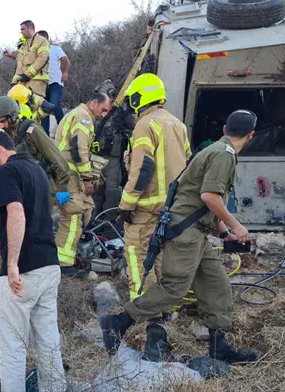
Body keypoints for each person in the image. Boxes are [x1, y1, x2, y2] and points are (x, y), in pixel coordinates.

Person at [100, 110, 259, 365]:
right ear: (251, 135)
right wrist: (237, 226)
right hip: (186, 233)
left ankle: (218, 346)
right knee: (174, 289)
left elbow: (201, 200)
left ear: (225, 128)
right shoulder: (223, 155)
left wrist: (224, 232)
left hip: (195, 231)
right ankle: (118, 322)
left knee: (216, 283)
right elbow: (210, 197)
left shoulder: (215, 150)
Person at [0, 130, 66, 392]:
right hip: (49, 266)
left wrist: (12, 265)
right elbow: (29, 208)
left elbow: (17, 214)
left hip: (23, 272)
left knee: (12, 348)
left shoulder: (7, 172)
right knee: (48, 343)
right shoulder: (37, 169)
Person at [119, 74, 192, 303]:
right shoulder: (177, 124)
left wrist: (127, 204)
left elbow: (143, 167)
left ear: (139, 97)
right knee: (160, 257)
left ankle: (143, 309)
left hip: (147, 206)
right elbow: (188, 161)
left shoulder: (145, 124)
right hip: (171, 205)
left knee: (137, 255)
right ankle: (163, 307)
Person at [54, 92, 113, 276]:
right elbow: (79, 149)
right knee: (72, 217)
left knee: (85, 210)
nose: (103, 114)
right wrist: (87, 178)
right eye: (103, 109)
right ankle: (63, 264)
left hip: (71, 174)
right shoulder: (83, 118)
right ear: (93, 103)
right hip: (70, 175)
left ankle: (77, 253)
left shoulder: (78, 115)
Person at [0, 96, 70, 205]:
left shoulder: (32, 130)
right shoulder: (9, 135)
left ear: (12, 116)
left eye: (3, 121)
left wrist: (62, 188)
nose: (1, 126)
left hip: (41, 188)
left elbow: (56, 158)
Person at [91, 80, 135, 219]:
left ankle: (109, 223)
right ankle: (94, 221)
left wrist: (125, 113)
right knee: (96, 192)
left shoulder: (120, 113)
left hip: (113, 159)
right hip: (96, 158)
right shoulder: (93, 114)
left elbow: (133, 126)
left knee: (112, 192)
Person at [5, 20, 50, 117]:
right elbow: (19, 65)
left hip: (37, 81)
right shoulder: (23, 46)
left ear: (30, 28)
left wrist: (28, 74)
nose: (21, 31)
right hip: (23, 82)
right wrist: (14, 82)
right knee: (22, 108)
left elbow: (42, 59)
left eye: (23, 29)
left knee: (34, 107)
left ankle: (34, 125)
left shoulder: (42, 41)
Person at [37, 31, 70, 135]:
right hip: (42, 84)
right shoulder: (37, 52)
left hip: (55, 82)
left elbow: (66, 61)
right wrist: (10, 56)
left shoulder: (55, 49)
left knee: (54, 104)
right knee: (44, 108)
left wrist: (65, 72)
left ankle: (64, 129)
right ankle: (45, 135)